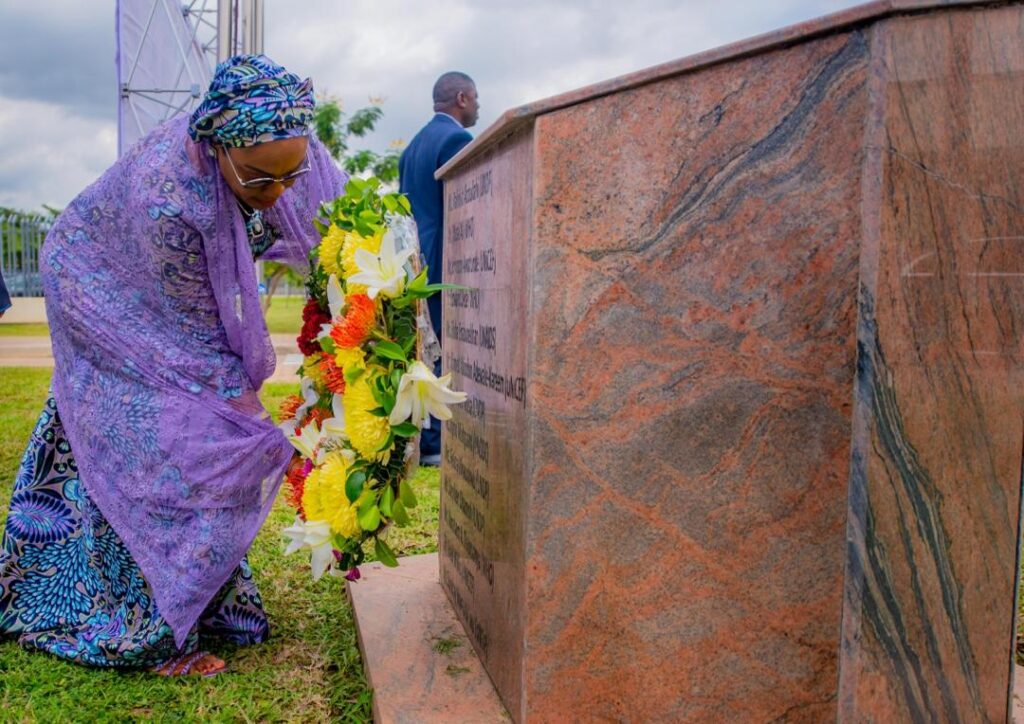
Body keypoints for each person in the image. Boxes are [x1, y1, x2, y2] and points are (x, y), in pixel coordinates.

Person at [0, 55, 344, 677]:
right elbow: (199, 349)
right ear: (218, 149)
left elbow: (337, 222)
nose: (280, 193)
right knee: (164, 439)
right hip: (93, 289)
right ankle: (150, 631)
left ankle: (209, 607)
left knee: (206, 439)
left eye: (292, 174)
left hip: (144, 285)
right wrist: (260, 431)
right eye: (261, 180)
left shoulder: (284, 149)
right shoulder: (169, 199)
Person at [399, 71, 479, 465]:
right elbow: (465, 208)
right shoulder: (455, 141)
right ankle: (433, 443)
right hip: (443, 265)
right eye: (476, 98)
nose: (478, 106)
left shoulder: (412, 146)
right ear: (461, 98)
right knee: (441, 351)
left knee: (423, 349)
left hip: (415, 262)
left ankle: (424, 435)